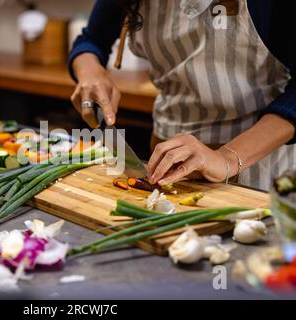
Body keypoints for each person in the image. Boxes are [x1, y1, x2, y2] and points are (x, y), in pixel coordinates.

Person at [68, 0, 296, 191]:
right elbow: (90, 40)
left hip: (259, 167)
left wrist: (225, 158)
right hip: (165, 158)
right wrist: (90, 72)